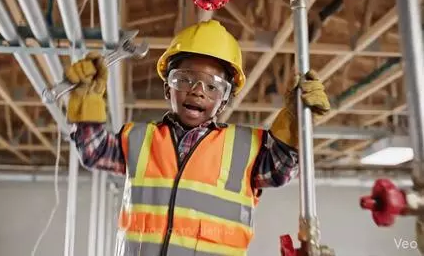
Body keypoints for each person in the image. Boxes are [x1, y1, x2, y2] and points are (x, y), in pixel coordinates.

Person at [65, 20, 330, 256]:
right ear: (167, 88)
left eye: (212, 86)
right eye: (183, 80)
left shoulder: (247, 149)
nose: (197, 92)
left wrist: (296, 122)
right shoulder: (137, 138)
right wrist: (86, 101)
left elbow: (279, 170)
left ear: (224, 100)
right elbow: (94, 151)